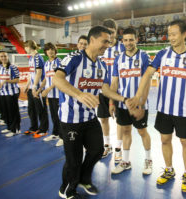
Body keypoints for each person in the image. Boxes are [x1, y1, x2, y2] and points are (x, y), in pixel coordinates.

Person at [53, 25, 133, 199]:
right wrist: (79, 94)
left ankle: (83, 178)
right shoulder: (74, 58)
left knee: (97, 150)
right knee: (73, 160)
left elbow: (104, 88)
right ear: (92, 40)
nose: (108, 45)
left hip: (89, 117)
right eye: (105, 41)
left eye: (109, 42)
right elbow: (57, 78)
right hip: (70, 119)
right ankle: (67, 190)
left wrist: (124, 99)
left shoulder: (103, 65)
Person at [127, 19, 186, 192]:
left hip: (184, 110)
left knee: (185, 142)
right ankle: (169, 170)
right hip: (164, 108)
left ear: (185, 34)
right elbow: (147, 74)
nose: (171, 38)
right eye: (169, 34)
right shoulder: (163, 54)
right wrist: (138, 97)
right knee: (164, 139)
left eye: (174, 34)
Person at [109, 28, 153, 175]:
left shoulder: (144, 56)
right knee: (126, 131)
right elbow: (114, 83)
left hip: (139, 104)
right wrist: (111, 102)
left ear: (136, 40)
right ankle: (126, 161)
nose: (128, 43)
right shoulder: (118, 58)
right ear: (122, 41)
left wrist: (141, 104)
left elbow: (147, 82)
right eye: (126, 40)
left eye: (131, 39)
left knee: (142, 132)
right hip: (122, 104)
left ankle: (148, 160)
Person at [99, 19, 125, 161]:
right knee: (103, 119)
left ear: (116, 31)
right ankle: (107, 145)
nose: (110, 34)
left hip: (119, 91)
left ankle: (119, 148)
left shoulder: (122, 48)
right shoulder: (101, 48)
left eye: (112, 32)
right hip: (103, 89)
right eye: (107, 32)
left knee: (120, 121)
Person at [23, 40, 49, 138]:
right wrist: (27, 85)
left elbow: (38, 73)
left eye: (26, 47)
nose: (25, 49)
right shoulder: (31, 59)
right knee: (31, 109)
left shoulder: (38, 57)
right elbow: (31, 74)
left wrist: (34, 87)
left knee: (41, 109)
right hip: (31, 88)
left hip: (38, 89)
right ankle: (33, 127)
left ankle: (43, 129)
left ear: (30, 46)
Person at [40, 43, 63, 146]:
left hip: (59, 94)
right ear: (45, 52)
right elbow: (46, 78)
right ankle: (55, 133)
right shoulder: (46, 64)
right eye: (48, 49)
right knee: (53, 115)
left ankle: (63, 137)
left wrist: (48, 89)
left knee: (60, 116)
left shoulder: (59, 62)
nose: (50, 51)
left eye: (52, 49)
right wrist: (40, 89)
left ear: (55, 50)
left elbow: (59, 78)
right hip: (50, 95)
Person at [0, 51, 21, 137]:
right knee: (6, 112)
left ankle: (15, 129)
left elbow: (17, 80)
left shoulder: (12, 67)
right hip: (3, 93)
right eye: (1, 56)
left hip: (12, 93)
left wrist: (6, 81)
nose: (3, 58)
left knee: (13, 111)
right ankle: (9, 127)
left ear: (7, 57)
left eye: (5, 56)